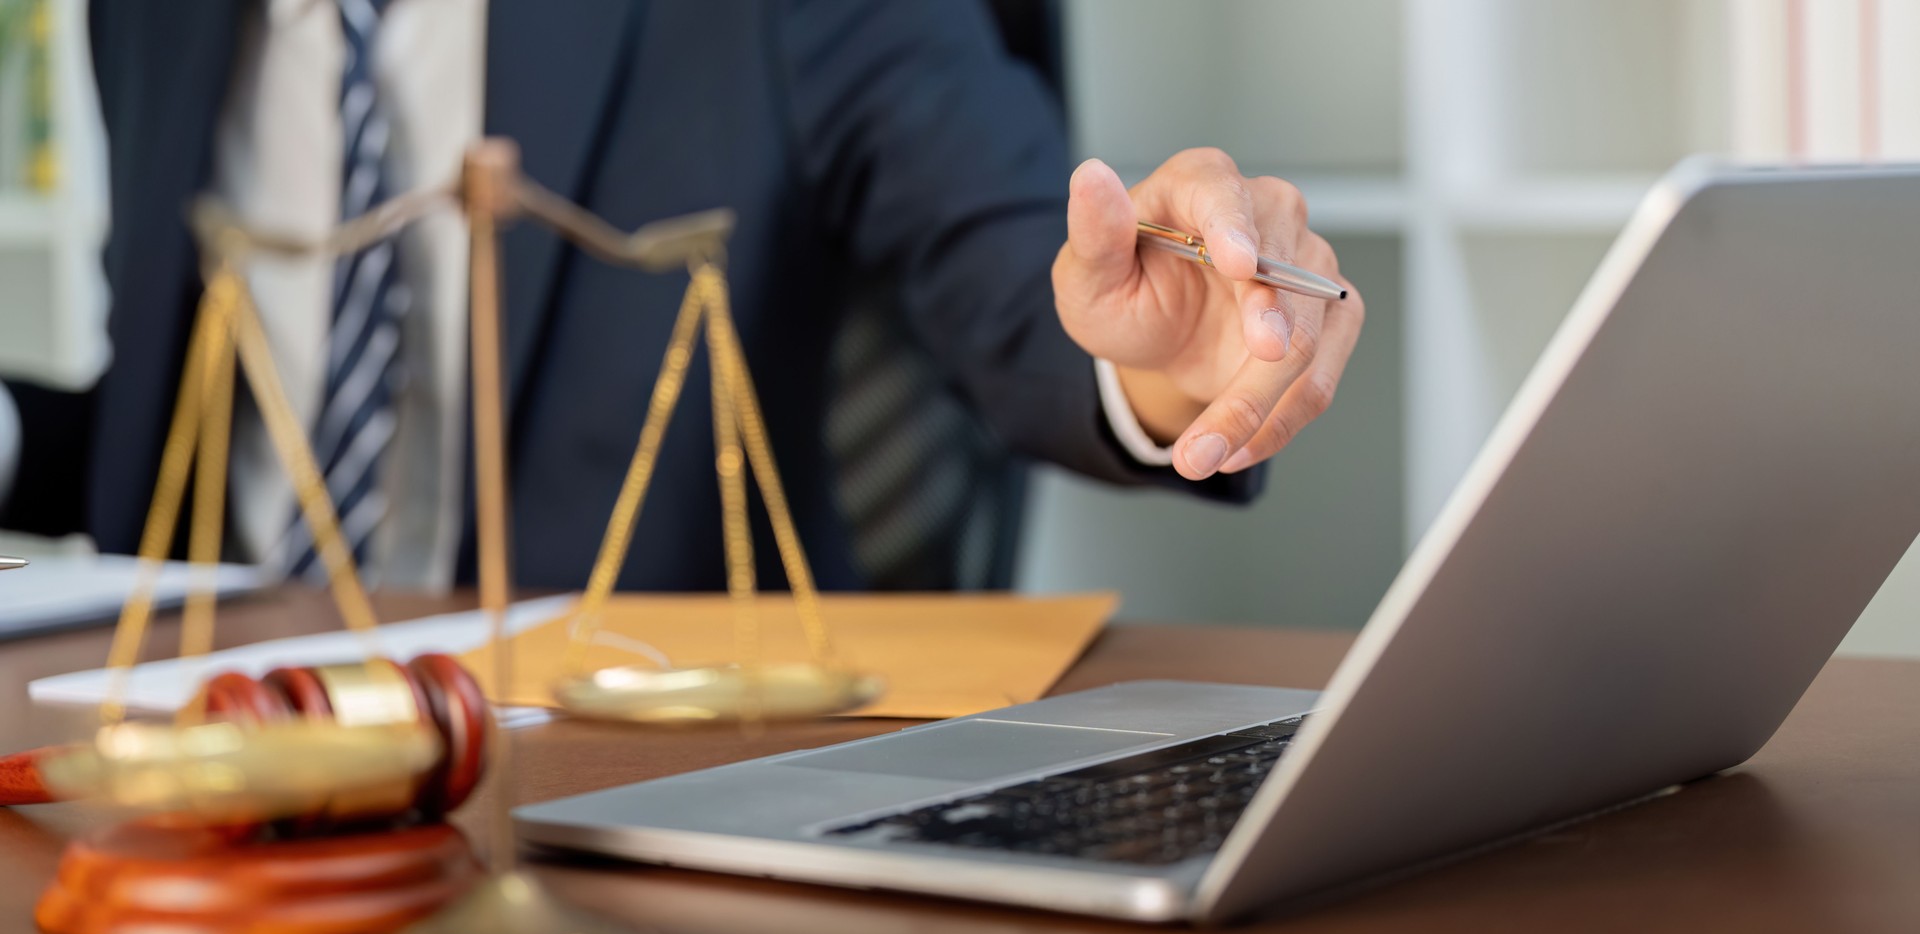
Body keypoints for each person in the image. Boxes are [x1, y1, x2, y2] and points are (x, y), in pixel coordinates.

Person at [0, 0, 1362, 593]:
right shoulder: (151, 10)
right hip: (200, 761)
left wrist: (1174, 348)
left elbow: (1020, 263)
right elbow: (202, 405)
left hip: (601, 781)